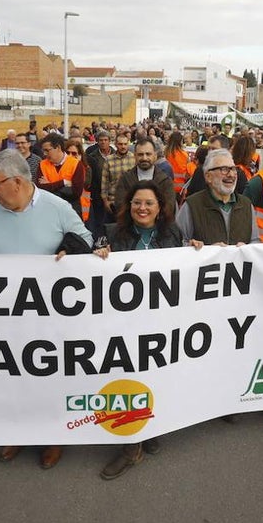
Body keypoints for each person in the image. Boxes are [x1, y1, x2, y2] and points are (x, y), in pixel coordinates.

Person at [0, 150, 93, 470]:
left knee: (51, 377)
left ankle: (53, 436)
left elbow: (85, 244)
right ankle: (19, 430)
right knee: (14, 376)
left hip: (53, 317)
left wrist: (68, 253)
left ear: (16, 181)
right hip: (8, 316)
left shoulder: (59, 208)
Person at [92, 180, 184, 479]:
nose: (141, 208)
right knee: (127, 379)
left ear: (160, 209)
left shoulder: (173, 234)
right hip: (125, 325)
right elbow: (97, 272)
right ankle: (131, 447)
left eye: (148, 203)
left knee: (158, 376)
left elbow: (185, 273)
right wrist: (99, 256)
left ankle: (151, 428)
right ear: (128, 207)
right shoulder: (112, 235)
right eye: (136, 203)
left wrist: (195, 251)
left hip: (160, 323)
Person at [176, 149, 259, 247]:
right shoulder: (192, 206)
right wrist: (196, 248)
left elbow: (255, 241)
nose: (231, 175)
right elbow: (177, 244)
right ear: (208, 177)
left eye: (233, 169)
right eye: (224, 169)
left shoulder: (246, 205)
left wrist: (248, 248)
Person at [113, 139, 175, 215]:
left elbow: (169, 207)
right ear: (135, 156)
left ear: (155, 156)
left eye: (148, 154)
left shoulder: (165, 180)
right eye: (140, 154)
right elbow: (120, 205)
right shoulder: (125, 179)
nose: (144, 158)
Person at [38, 132, 86, 215]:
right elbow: (40, 189)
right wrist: (63, 183)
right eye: (43, 150)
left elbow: (76, 193)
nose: (44, 154)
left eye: (47, 150)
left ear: (58, 147)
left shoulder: (76, 164)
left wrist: (50, 185)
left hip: (71, 211)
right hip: (49, 212)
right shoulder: (42, 164)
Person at [100, 133, 135, 217]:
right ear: (115, 145)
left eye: (125, 144)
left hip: (131, 201)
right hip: (113, 202)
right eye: (120, 144)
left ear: (128, 144)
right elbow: (104, 183)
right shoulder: (109, 160)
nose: (123, 146)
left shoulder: (134, 158)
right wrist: (105, 202)